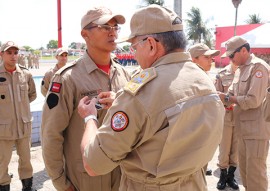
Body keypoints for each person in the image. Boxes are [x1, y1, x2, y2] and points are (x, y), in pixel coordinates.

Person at [78, 4, 225, 191]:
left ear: (151, 45)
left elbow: (93, 165)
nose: (134, 54)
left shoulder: (140, 93)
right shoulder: (203, 79)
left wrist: (89, 117)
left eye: (134, 47)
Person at [41, 6, 130, 191]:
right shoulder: (67, 78)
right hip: (86, 178)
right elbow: (51, 134)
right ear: (85, 34)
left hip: (121, 174)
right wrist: (60, 182)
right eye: (105, 27)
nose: (112, 32)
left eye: (115, 27)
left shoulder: (123, 74)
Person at [219, 36, 270, 191]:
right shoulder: (240, 69)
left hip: (256, 132)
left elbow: (253, 100)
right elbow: (231, 93)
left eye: (231, 55)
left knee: (256, 176)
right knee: (247, 176)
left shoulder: (258, 68)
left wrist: (228, 98)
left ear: (243, 50)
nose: (229, 59)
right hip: (242, 130)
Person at [0, 41, 37, 191]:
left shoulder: (25, 74)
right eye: (9, 53)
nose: (13, 56)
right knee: (2, 161)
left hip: (23, 125)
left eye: (15, 53)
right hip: (4, 128)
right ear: (1, 54)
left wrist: (19, 107)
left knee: (26, 160)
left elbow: (32, 95)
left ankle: (27, 187)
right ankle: (3, 186)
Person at [188, 43, 220, 176]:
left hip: (205, 131)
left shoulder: (204, 75)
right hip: (194, 132)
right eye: (206, 57)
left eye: (212, 58)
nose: (211, 61)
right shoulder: (190, 78)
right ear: (194, 59)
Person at [215, 62, 239, 190]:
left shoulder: (246, 72)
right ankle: (223, 176)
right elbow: (216, 94)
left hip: (241, 117)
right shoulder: (222, 74)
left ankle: (231, 176)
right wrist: (226, 103)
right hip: (226, 116)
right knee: (224, 148)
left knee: (236, 149)